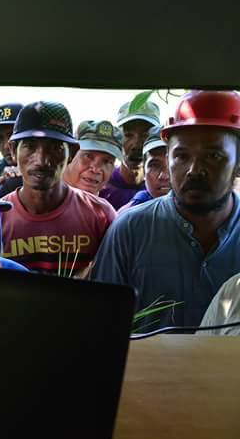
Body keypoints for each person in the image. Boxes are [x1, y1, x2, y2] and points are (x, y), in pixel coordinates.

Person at [92, 90, 240, 330]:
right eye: (181, 155)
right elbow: (99, 326)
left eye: (213, 156)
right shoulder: (129, 231)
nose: (194, 169)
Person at [0, 101, 116, 276]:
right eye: (30, 146)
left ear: (72, 152)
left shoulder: (100, 215)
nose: (41, 160)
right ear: (13, 150)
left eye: (55, 148)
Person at [99, 100, 161, 209]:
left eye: (145, 135)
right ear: (117, 137)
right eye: (128, 135)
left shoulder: (164, 188)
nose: (137, 144)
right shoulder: (99, 184)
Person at [63, 120, 123, 196]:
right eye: (88, 156)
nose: (96, 169)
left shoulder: (105, 207)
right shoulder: (45, 200)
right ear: (68, 155)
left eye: (106, 161)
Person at [117, 126, 170, 212]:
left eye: (171, 165)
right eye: (155, 165)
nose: (164, 176)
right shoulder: (128, 220)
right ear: (144, 171)